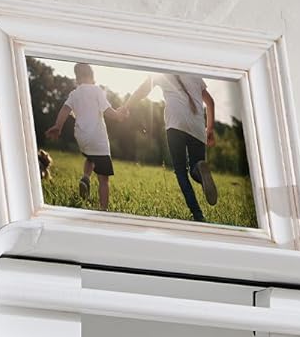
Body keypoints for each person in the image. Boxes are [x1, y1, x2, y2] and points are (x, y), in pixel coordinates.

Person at [124, 72, 219, 221]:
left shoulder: (162, 72)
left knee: (181, 172)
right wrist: (210, 129)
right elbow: (210, 102)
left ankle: (198, 214)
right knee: (195, 167)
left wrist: (126, 106)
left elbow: (143, 90)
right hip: (198, 127)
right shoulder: (194, 74)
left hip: (175, 123)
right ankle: (200, 170)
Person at [44, 62, 122, 209]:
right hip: (98, 139)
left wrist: (58, 126)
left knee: (90, 157)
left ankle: (86, 177)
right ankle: (103, 209)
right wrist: (118, 115)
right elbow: (107, 111)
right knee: (103, 179)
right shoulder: (97, 90)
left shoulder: (74, 94)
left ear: (77, 78)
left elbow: (65, 109)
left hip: (82, 137)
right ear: (92, 76)